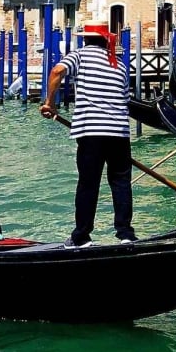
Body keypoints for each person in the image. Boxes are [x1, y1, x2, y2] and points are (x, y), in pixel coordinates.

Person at [40, 23, 135, 249]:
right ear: (105, 41)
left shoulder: (80, 55)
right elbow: (125, 100)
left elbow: (56, 71)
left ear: (86, 40)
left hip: (92, 132)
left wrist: (49, 103)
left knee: (88, 184)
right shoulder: (120, 65)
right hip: (120, 132)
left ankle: (81, 237)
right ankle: (126, 234)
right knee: (121, 183)